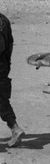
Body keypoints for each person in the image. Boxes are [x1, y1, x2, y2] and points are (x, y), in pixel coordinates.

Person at [0, 12, 23, 147]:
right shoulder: (4, 20)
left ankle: (15, 129)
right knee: (2, 100)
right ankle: (15, 128)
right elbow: (10, 44)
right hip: (3, 65)